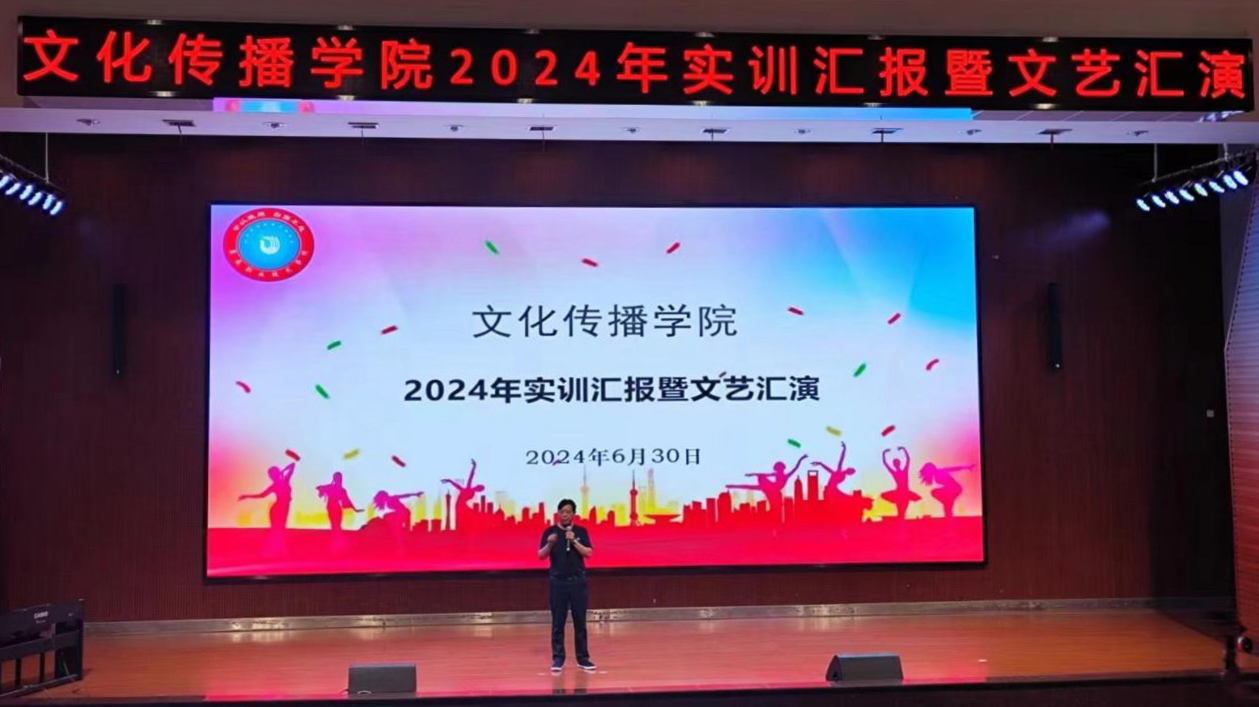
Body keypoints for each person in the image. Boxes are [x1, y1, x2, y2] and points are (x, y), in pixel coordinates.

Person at [538, 498, 595, 673]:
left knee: (580, 622)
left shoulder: (581, 531)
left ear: (573, 514)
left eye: (568, 512)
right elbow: (541, 555)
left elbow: (588, 553)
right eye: (561, 512)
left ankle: (583, 658)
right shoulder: (550, 532)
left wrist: (574, 541)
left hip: (577, 581)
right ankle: (558, 658)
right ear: (558, 513)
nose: (564, 515)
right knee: (558, 622)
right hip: (558, 582)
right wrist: (549, 543)